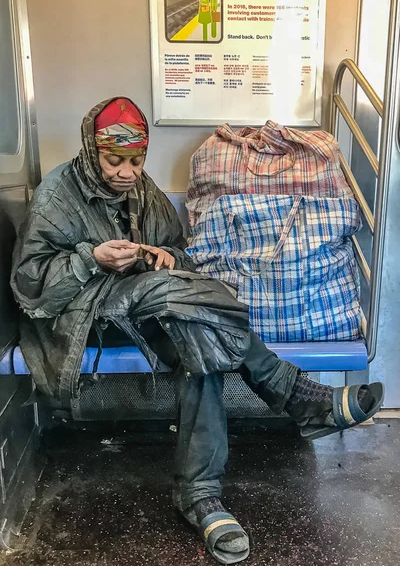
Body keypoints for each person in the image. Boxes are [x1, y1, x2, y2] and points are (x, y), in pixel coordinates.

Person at [11, 97, 384, 565]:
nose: (128, 172)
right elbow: (30, 286)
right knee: (182, 300)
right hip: (82, 318)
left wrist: (167, 258)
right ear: (91, 150)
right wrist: (92, 258)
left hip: (150, 308)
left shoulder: (142, 191)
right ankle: (296, 398)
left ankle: (201, 494)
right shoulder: (56, 195)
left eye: (136, 160)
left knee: (197, 331)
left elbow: (178, 255)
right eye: (115, 161)